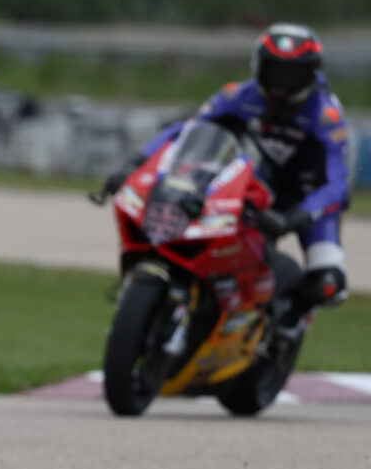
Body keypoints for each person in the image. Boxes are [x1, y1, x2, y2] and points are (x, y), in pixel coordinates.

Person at [102, 22, 350, 328]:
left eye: (293, 73)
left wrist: (296, 216)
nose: (281, 83)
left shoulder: (326, 116)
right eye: (274, 70)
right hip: (259, 187)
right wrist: (134, 164)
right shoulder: (239, 95)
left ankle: (285, 328)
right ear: (258, 66)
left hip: (310, 201)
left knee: (328, 283)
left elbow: (337, 184)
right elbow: (186, 129)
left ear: (311, 74)